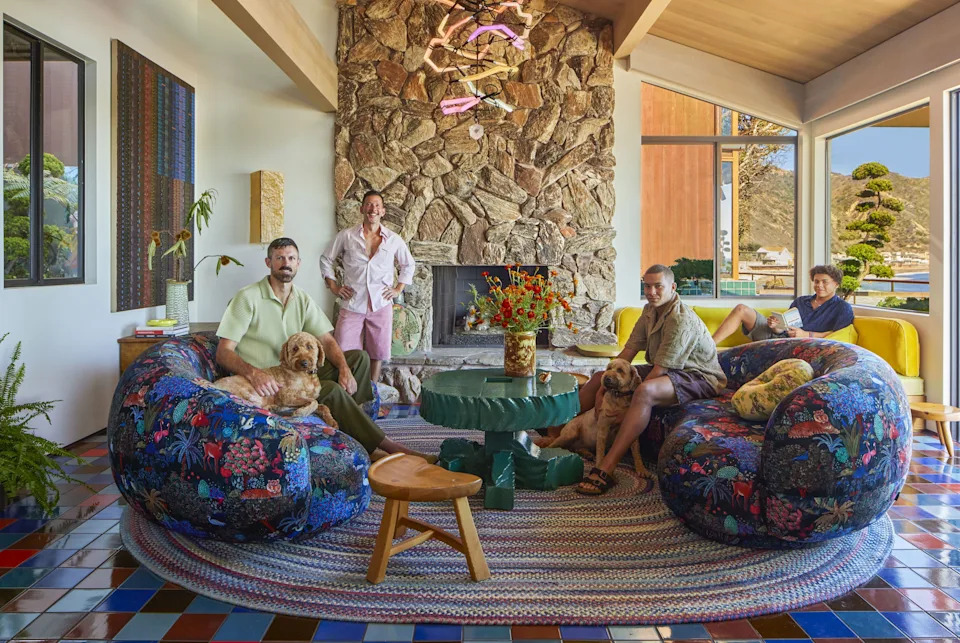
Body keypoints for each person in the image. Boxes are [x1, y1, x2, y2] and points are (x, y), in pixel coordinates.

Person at [216, 237, 429, 460]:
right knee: (333, 390)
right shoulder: (247, 297)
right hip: (271, 381)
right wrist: (255, 374)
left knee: (359, 358)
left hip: (297, 371)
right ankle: (387, 445)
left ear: (298, 263)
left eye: (291, 258)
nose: (285, 263)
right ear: (268, 262)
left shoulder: (301, 298)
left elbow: (327, 341)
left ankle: (354, 435)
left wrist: (345, 369)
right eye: (279, 258)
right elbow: (223, 352)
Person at [574, 264, 726, 495]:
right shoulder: (648, 311)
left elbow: (659, 371)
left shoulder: (680, 319)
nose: (652, 291)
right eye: (647, 286)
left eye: (658, 286)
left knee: (644, 391)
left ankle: (606, 467)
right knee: (597, 377)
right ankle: (558, 434)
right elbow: (628, 353)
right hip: (666, 369)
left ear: (673, 287)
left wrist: (625, 399)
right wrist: (603, 387)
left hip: (697, 376)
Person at [320, 190, 415, 383]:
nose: (373, 209)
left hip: (381, 303)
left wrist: (398, 289)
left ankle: (371, 391)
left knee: (377, 351)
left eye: (377, 205)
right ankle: (349, 389)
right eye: (369, 205)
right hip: (352, 302)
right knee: (344, 349)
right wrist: (334, 287)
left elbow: (408, 265)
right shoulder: (346, 236)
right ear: (362, 209)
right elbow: (326, 259)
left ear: (383, 211)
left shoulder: (394, 239)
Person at [711, 264, 854, 345]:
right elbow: (784, 329)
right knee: (741, 309)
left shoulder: (842, 308)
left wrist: (807, 335)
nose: (819, 285)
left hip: (802, 345)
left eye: (824, 282)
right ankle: (709, 347)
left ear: (836, 284)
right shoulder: (801, 301)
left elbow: (838, 336)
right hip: (778, 338)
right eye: (816, 281)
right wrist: (776, 327)